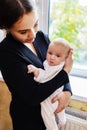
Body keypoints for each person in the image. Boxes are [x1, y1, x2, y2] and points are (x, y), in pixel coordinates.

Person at [0, 0, 73, 130]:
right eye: (23, 32)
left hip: (51, 113)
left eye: (35, 24)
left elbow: (58, 66)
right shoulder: (6, 52)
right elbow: (33, 96)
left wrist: (67, 91)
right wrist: (66, 72)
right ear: (7, 27)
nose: (33, 34)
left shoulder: (42, 37)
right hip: (29, 121)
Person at [27, 38, 71, 130]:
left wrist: (36, 70)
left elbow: (45, 77)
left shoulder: (56, 67)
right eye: (50, 53)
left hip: (50, 97)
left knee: (47, 114)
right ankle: (62, 121)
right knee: (58, 110)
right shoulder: (54, 63)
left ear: (65, 58)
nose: (52, 57)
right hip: (53, 94)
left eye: (58, 56)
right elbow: (63, 75)